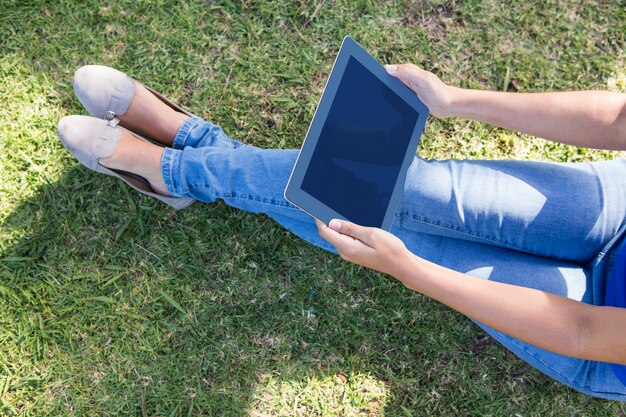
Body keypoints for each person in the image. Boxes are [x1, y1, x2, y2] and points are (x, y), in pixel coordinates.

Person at [57, 63, 626, 400]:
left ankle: (178, 166)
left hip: (595, 326)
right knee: (395, 187)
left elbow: (580, 330)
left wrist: (411, 270)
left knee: (365, 217)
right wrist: (456, 101)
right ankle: (197, 155)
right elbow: (620, 119)